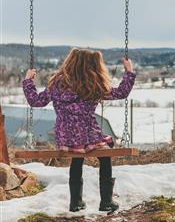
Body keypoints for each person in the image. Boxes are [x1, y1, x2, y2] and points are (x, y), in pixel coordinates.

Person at [23, 48, 136, 212]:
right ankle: (106, 201)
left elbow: (35, 101)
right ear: (94, 65)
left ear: (70, 62)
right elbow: (121, 92)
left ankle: (75, 202)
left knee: (77, 159)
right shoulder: (94, 84)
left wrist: (28, 81)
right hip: (89, 135)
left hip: (66, 136)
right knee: (104, 157)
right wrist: (129, 71)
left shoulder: (57, 84)